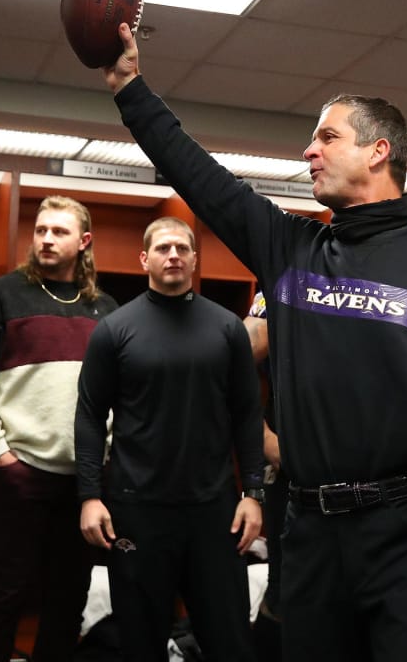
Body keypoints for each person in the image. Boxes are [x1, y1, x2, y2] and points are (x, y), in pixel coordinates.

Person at [101, 24, 407, 661]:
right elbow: (201, 177)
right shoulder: (292, 250)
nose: (309, 152)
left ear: (379, 151)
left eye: (326, 137)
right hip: (311, 533)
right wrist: (130, 88)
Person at [75, 216, 265, 661]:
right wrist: (88, 496)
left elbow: (246, 414)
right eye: (162, 248)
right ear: (145, 259)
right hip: (137, 511)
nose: (173, 254)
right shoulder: (114, 331)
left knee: (230, 639)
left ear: (195, 259)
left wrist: (253, 492)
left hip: (213, 512)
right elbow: (88, 416)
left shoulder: (226, 329)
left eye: (182, 247)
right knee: (140, 642)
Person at [0, 195, 117, 662]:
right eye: (40, 230)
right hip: (18, 472)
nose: (45, 238)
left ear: (83, 242)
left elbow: (118, 393)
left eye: (59, 231)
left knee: (67, 598)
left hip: (83, 481)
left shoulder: (105, 309)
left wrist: (103, 455)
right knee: (4, 594)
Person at [245, 289, 288, 662]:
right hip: (295, 476)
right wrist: (262, 438)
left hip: (370, 476)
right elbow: (233, 359)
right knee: (284, 591)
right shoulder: (284, 288)